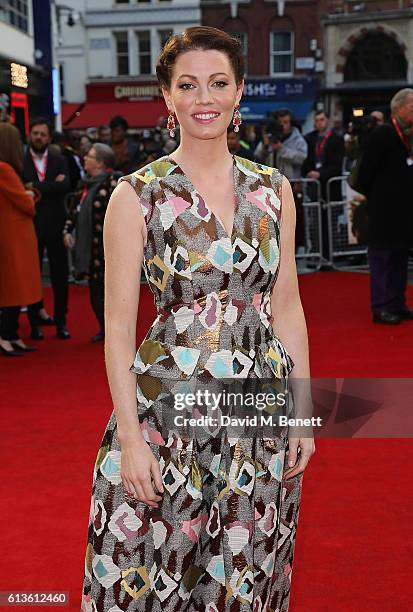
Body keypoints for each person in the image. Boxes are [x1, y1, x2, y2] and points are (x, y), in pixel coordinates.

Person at [81, 26, 314, 611]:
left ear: (240, 93)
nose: (203, 98)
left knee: (246, 566)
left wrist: (303, 413)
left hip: (257, 412)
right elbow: (117, 328)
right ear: (166, 96)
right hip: (169, 409)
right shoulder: (137, 196)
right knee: (161, 569)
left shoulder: (274, 191)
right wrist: (131, 437)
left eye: (218, 83)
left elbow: (285, 305)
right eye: (187, 85)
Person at [357, 88, 413, 324]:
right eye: (412, 107)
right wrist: (379, 196)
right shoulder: (382, 134)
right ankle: (380, 306)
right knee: (382, 259)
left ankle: (397, 302)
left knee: (400, 257)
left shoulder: (408, 136)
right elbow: (364, 174)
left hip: (403, 212)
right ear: (399, 108)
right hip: (382, 211)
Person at [63, 144, 122, 342]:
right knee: (95, 290)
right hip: (91, 249)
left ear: (100, 162)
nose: (84, 159)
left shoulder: (114, 182)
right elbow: (74, 211)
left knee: (114, 291)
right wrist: (67, 230)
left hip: (110, 247)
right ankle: (104, 327)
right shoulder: (84, 184)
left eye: (89, 156)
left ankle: (116, 329)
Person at [23, 117, 72, 339]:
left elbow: (65, 186)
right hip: (30, 224)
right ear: (30, 135)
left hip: (56, 223)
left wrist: (36, 187)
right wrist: (52, 186)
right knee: (31, 275)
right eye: (35, 134)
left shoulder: (60, 160)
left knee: (60, 274)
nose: (39, 138)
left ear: (49, 137)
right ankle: (35, 322)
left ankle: (61, 321)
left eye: (43, 134)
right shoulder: (21, 161)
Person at [0, 123, 42, 355]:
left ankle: (11, 334)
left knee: (14, 287)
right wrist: (30, 194)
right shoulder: (5, 168)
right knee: (14, 287)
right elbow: (26, 204)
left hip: (12, 235)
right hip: (14, 237)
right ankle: (6, 335)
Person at [302, 110, 345, 264]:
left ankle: (329, 254)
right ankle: (315, 252)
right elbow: (305, 160)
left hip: (329, 187)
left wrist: (319, 174)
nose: (319, 123)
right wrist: (309, 173)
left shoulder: (336, 139)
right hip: (314, 188)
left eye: (322, 119)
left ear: (328, 121)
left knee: (330, 222)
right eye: (317, 120)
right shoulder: (310, 138)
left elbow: (337, 164)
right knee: (314, 222)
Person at [255, 109, 308, 180]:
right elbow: (257, 155)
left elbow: (302, 158)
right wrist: (265, 146)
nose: (282, 125)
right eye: (279, 122)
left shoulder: (298, 139)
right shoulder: (270, 136)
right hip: (270, 180)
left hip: (291, 181)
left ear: (291, 123)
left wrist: (282, 149)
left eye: (285, 122)